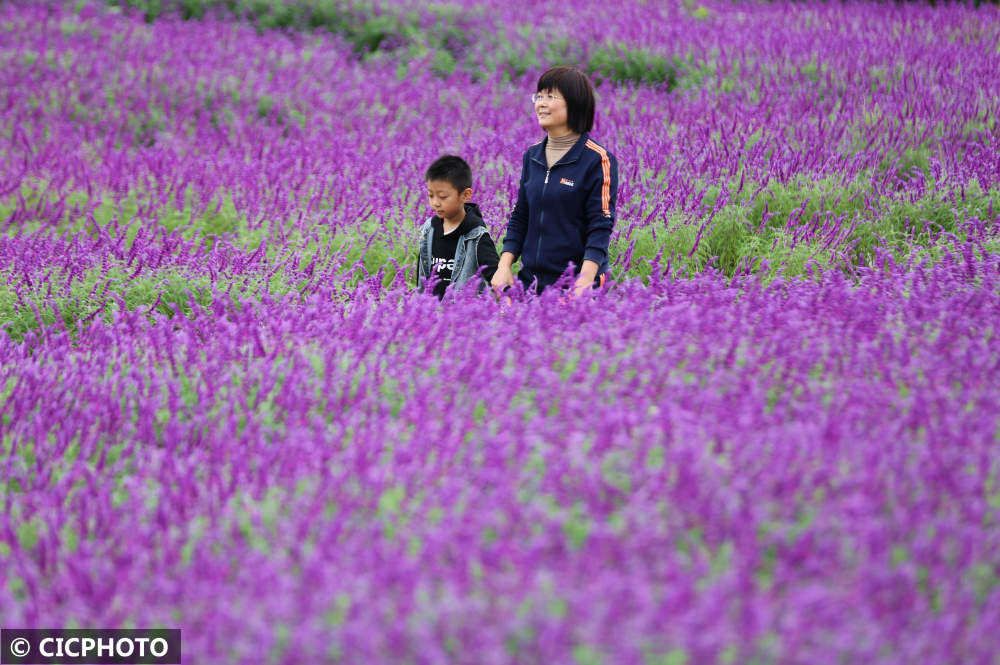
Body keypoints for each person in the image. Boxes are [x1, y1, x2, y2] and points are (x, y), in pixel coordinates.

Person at [491, 66, 619, 297]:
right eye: (538, 96)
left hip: (576, 284)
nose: (541, 103)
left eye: (550, 97)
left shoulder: (597, 159)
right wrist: (504, 266)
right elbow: (521, 216)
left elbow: (600, 225)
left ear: (575, 103)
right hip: (530, 284)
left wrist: (585, 280)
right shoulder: (532, 157)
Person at [416, 155, 500, 299]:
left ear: (465, 195)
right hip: (430, 314)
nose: (435, 203)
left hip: (464, 316)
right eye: (431, 195)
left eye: (442, 197)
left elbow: (496, 276)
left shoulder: (477, 236)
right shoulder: (428, 229)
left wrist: (507, 300)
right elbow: (422, 275)